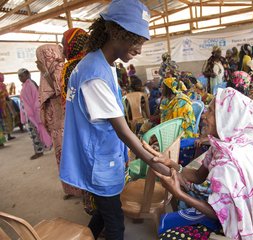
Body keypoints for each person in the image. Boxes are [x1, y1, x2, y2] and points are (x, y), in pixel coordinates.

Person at [59, 1, 169, 239]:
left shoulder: (102, 64)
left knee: (105, 209)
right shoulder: (94, 75)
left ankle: (85, 235)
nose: (140, 49)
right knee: (116, 224)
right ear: (117, 32)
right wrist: (154, 162)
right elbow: (122, 131)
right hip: (100, 159)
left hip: (105, 154)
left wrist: (143, 151)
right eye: (136, 40)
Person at [145, 87, 253, 239]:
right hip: (231, 212)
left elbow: (219, 214)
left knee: (169, 235)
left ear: (227, 118)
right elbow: (198, 176)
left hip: (236, 225)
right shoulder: (226, 144)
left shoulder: (228, 163)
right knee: (175, 219)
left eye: (211, 111)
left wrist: (179, 193)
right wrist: (171, 163)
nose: (204, 115)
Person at [36, 44, 83, 199]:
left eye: (42, 57)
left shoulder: (62, 68)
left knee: (72, 155)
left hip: (66, 122)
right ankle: (70, 189)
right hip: (56, 124)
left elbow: (59, 90)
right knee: (61, 157)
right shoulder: (45, 73)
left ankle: (82, 189)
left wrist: (45, 72)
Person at [18, 68, 52, 159]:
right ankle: (41, 148)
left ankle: (39, 151)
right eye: (19, 76)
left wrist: (37, 114)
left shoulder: (30, 84)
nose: (20, 77)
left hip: (33, 114)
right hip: (29, 114)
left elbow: (36, 100)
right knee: (34, 133)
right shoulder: (25, 85)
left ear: (27, 74)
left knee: (35, 133)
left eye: (21, 75)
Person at [61, 28, 89, 106]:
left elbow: (70, 98)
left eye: (64, 45)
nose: (63, 51)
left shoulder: (71, 68)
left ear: (74, 45)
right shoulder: (95, 61)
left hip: (80, 115)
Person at [0, 73, 16, 140]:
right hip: (3, 105)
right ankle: (8, 135)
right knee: (7, 118)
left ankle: (7, 135)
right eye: (2, 77)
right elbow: (4, 95)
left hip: (3, 104)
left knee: (4, 120)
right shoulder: (2, 85)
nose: (3, 78)